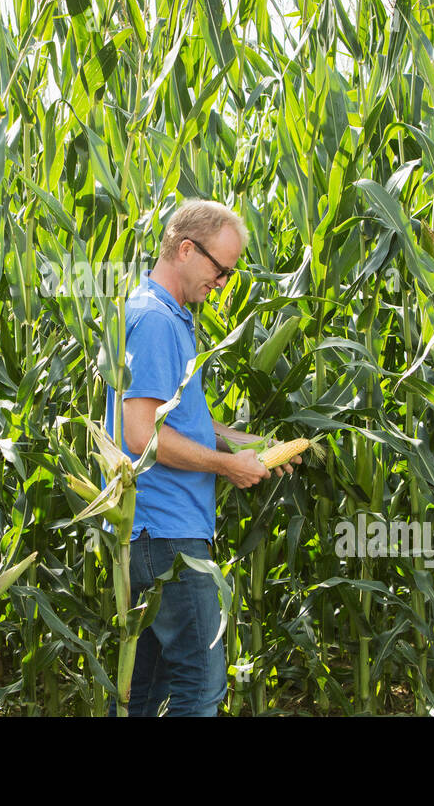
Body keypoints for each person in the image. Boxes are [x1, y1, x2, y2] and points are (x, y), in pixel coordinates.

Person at [102, 199, 300, 716]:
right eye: (221, 270)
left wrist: (246, 445)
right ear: (186, 249)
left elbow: (182, 422)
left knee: (142, 692)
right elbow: (143, 436)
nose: (223, 284)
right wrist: (226, 467)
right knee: (201, 683)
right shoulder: (153, 320)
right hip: (167, 537)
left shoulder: (169, 317)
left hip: (157, 535)